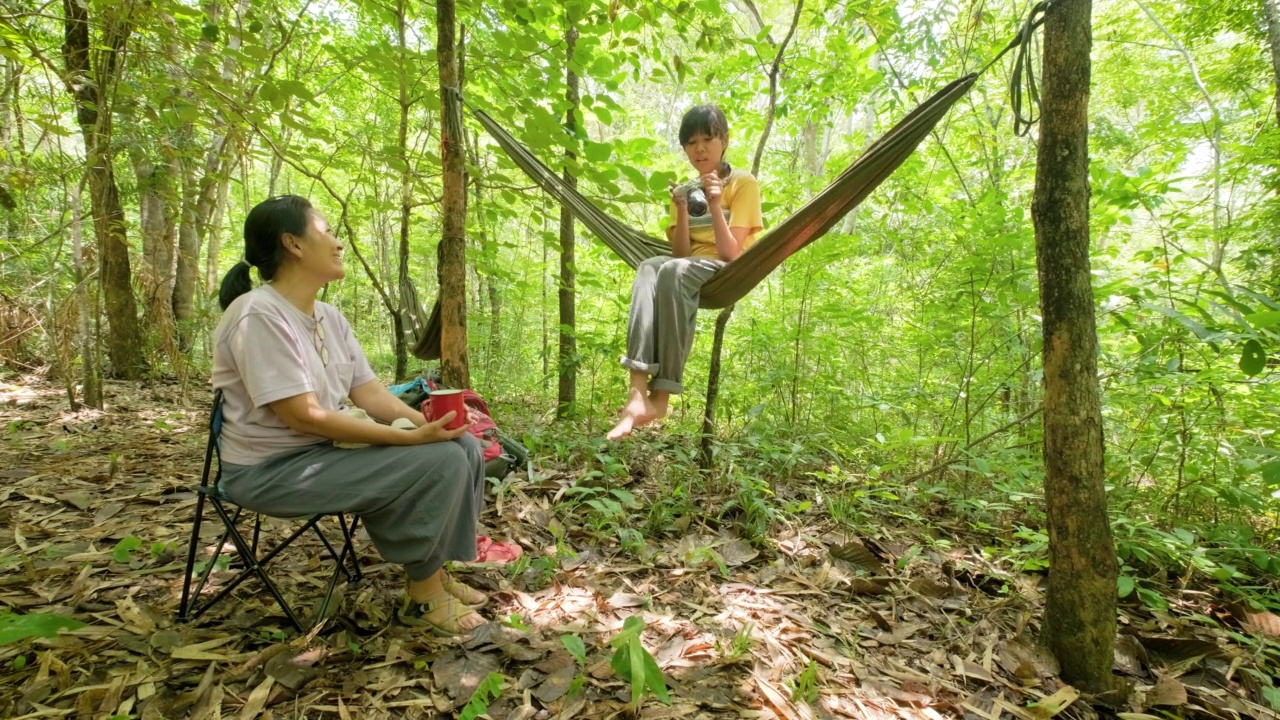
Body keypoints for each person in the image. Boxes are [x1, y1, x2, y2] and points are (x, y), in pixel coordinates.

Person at [212, 195, 487, 635]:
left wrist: (432, 426)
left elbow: (373, 395)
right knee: (441, 460)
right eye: (326, 231)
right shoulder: (258, 314)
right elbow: (304, 417)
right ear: (293, 244)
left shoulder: (330, 318)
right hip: (270, 471)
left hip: (326, 454)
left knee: (462, 445)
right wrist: (413, 442)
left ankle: (433, 571)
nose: (338, 243)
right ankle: (424, 599)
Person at [607, 105, 763, 440]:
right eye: (691, 143)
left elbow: (731, 253)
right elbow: (680, 253)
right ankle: (636, 392)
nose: (700, 148)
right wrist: (680, 208)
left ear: (724, 141)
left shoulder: (742, 184)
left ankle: (660, 398)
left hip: (725, 267)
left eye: (708, 139)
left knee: (673, 271)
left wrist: (716, 202)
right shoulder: (688, 189)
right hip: (688, 264)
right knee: (650, 267)